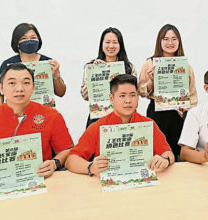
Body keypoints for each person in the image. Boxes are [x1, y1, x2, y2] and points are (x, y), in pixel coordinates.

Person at [0, 63, 73, 189]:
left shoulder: (51, 116)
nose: (19, 89)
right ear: (1, 88)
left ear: (33, 87)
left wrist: (55, 163)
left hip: (39, 183)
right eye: (12, 83)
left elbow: (67, 150)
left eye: (26, 82)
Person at [66, 74, 174, 177]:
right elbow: (71, 160)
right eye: (122, 96)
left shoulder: (148, 125)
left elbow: (168, 153)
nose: (128, 101)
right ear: (111, 98)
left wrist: (165, 160)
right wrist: (90, 167)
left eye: (132, 95)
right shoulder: (97, 127)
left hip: (142, 181)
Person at [138, 24, 198, 160]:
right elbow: (140, 91)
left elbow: (192, 94)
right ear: (159, 41)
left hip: (178, 113)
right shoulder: (150, 63)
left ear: (179, 42)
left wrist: (186, 110)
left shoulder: (185, 64)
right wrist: (151, 81)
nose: (170, 43)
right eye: (165, 39)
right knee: (157, 150)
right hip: (157, 112)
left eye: (174, 39)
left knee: (178, 151)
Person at [0, 23, 66, 107]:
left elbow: (61, 93)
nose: (29, 41)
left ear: (39, 40)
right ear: (16, 42)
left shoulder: (48, 63)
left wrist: (56, 76)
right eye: (24, 38)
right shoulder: (8, 64)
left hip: (42, 112)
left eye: (33, 38)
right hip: (15, 112)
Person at [81, 27, 137, 128]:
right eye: (107, 42)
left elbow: (135, 94)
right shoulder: (92, 67)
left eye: (115, 42)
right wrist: (95, 72)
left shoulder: (128, 67)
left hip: (124, 119)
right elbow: (85, 96)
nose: (111, 46)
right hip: (98, 118)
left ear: (120, 45)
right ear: (102, 44)